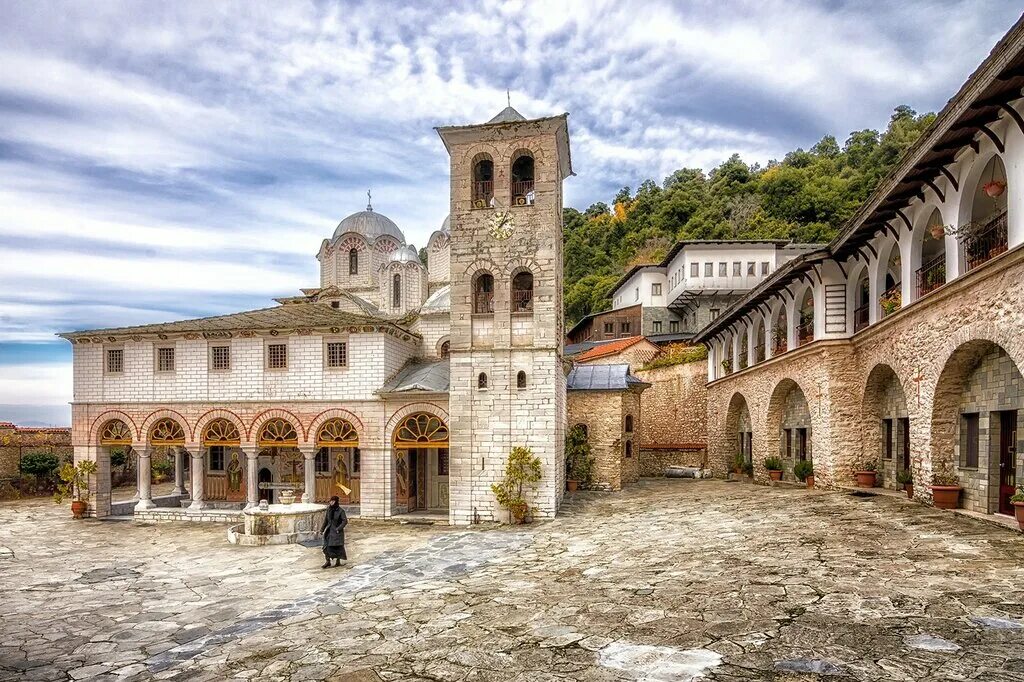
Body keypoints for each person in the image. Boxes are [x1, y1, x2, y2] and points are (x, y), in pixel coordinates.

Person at [320, 495, 348, 568]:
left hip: (337, 532)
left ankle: (338, 561)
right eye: (331, 501)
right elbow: (326, 521)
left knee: (337, 547)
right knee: (326, 547)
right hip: (329, 531)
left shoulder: (341, 511)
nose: (331, 502)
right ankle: (328, 561)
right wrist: (322, 529)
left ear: (336, 502)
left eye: (333, 501)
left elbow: (345, 521)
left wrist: (338, 528)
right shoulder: (329, 510)